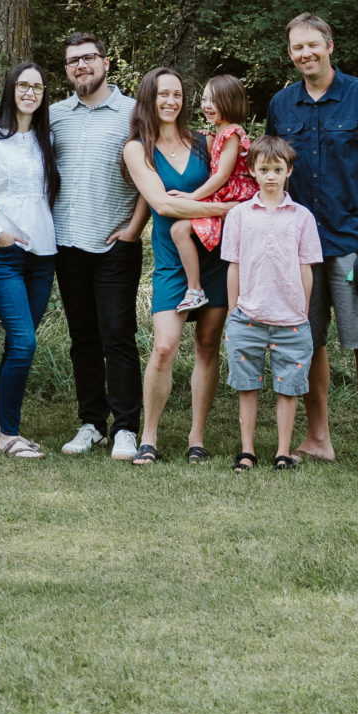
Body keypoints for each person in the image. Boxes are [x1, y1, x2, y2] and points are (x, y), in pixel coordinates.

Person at [265, 13, 358, 472]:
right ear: (290, 54)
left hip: (355, 243)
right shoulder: (281, 105)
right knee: (306, 340)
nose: (304, 54)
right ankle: (319, 437)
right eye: (296, 48)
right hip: (299, 248)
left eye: (312, 45)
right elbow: (270, 174)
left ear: (330, 46)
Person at [120, 69, 232, 466]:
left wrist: (211, 208)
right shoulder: (137, 149)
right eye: (163, 94)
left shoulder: (204, 143)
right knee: (165, 346)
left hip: (214, 257)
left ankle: (196, 437)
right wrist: (224, 210)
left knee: (207, 345)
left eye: (177, 94)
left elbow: (231, 179)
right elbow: (163, 205)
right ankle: (148, 436)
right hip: (171, 262)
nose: (171, 101)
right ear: (149, 98)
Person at [45, 30, 146, 460]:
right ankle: (92, 423)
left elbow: (152, 175)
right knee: (82, 336)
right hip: (66, 243)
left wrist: (134, 228)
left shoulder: (133, 113)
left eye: (88, 58)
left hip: (115, 244)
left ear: (106, 62)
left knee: (117, 336)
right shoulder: (53, 115)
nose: (81, 66)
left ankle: (126, 427)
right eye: (73, 61)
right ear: (66, 70)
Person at [0, 63, 59, 458]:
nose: (30, 92)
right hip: (5, 254)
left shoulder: (47, 139)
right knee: (25, 342)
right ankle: (13, 434)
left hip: (45, 255)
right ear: (10, 89)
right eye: (23, 85)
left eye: (37, 87)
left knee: (15, 345)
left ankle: (3, 430)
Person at [220, 136, 323, 471]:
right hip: (247, 315)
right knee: (247, 385)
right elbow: (233, 265)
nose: (270, 176)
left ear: (289, 171)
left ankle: (282, 451)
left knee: (288, 388)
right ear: (252, 171)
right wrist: (235, 309)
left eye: (277, 169)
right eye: (263, 169)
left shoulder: (301, 217)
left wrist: (302, 311)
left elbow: (306, 269)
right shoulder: (239, 215)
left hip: (290, 318)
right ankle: (247, 451)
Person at [181, 75, 259, 267]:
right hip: (226, 194)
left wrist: (193, 197)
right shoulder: (224, 132)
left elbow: (223, 174)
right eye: (205, 99)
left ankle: (194, 287)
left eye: (214, 100)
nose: (207, 105)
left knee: (179, 230)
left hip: (234, 196)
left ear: (231, 102)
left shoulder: (231, 133)